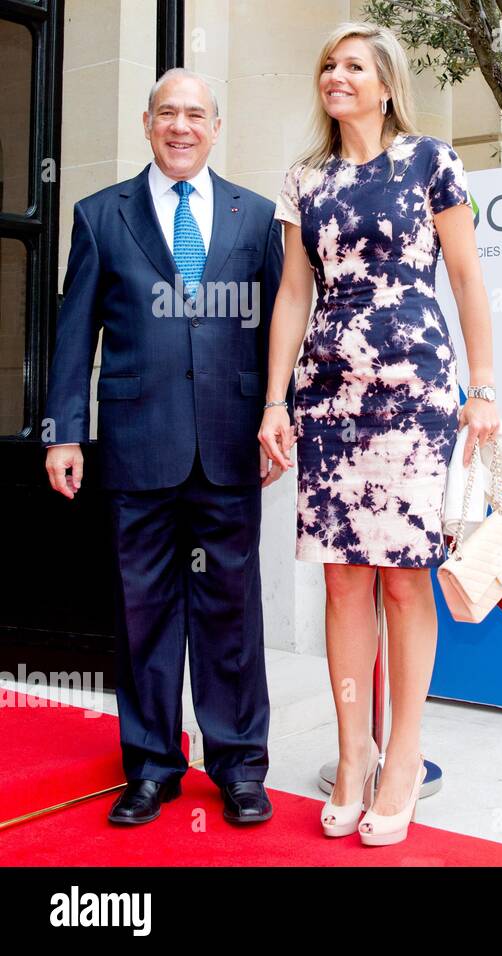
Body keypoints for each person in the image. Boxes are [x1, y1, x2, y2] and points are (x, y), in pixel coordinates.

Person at [259, 21, 498, 847]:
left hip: (415, 394)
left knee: (403, 580)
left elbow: (466, 277)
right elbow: (293, 295)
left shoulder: (431, 162)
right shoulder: (304, 181)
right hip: (328, 397)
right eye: (328, 64)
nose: (336, 76)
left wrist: (486, 388)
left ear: (386, 84)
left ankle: (403, 755)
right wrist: (274, 402)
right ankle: (352, 754)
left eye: (353, 65)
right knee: (343, 583)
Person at [43, 69, 285, 826]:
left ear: (217, 126)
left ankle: (240, 766)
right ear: (147, 123)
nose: (182, 127)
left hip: (229, 444)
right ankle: (151, 766)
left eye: (196, 115)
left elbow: (282, 328)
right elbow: (74, 332)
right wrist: (63, 432)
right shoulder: (99, 214)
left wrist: (284, 420)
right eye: (168, 114)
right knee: (142, 612)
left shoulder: (257, 217)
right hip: (136, 445)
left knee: (230, 611)